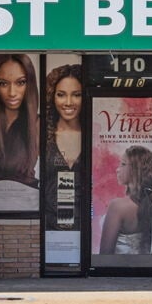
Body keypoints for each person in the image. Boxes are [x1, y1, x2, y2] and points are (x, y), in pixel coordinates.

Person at [0, 53, 40, 210]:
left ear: (30, 84)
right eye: (2, 83)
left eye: (20, 82)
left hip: (27, 205)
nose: (12, 92)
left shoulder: (37, 124)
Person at [43, 63, 85, 228]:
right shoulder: (43, 134)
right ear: (52, 96)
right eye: (61, 95)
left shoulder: (94, 136)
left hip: (87, 225)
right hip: (48, 225)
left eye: (76, 95)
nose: (68, 102)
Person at [100, 144, 152, 256]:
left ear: (135, 169)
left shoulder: (118, 207)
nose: (117, 169)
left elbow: (104, 256)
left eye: (123, 164)